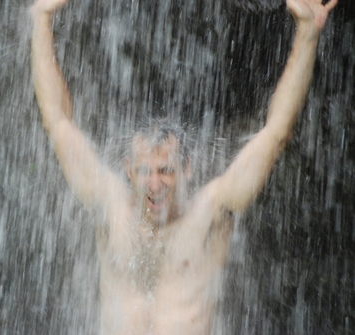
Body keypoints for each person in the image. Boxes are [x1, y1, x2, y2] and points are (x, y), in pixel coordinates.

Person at [30, 0, 337, 333]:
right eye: (146, 171)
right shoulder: (110, 205)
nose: (155, 183)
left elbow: (276, 133)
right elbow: (58, 122)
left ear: (187, 168)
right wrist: (42, 19)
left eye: (166, 170)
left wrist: (307, 32)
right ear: (129, 170)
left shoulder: (210, 211)